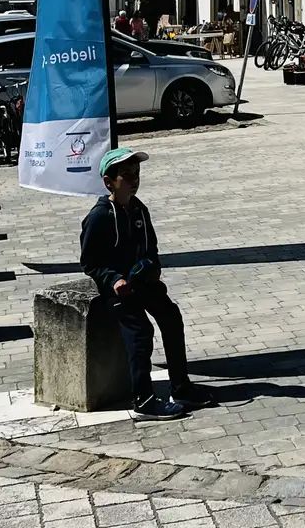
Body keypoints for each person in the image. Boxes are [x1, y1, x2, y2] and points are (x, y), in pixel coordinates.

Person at [79, 149, 216, 421]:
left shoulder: (140, 209)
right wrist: (113, 279)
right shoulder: (100, 216)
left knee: (171, 316)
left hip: (142, 283)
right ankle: (143, 399)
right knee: (140, 331)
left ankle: (181, 387)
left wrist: (152, 268)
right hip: (118, 289)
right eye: (126, 175)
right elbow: (89, 261)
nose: (133, 180)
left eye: (137, 174)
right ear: (109, 181)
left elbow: (151, 249)